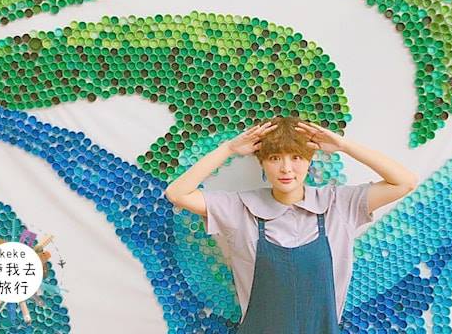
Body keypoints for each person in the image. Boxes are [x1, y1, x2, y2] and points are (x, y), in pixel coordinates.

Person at [164, 116, 419, 333]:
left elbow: (404, 182)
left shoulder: (338, 204)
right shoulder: (239, 208)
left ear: (309, 161)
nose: (286, 168)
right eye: (275, 157)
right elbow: (177, 193)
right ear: (262, 162)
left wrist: (344, 145)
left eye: (296, 157)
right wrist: (229, 149)